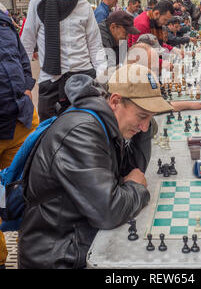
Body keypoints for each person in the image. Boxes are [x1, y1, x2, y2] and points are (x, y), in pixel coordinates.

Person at [18, 64, 173, 269]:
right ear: (115, 101)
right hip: (59, 257)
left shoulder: (106, 120)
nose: (145, 126)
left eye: (150, 117)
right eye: (142, 116)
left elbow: (134, 171)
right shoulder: (82, 131)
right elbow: (108, 211)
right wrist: (136, 188)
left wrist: (143, 124)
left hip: (79, 241)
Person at [21, 0, 107, 121]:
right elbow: (26, 45)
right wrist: (24, 84)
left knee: (86, 128)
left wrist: (101, 77)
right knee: (48, 132)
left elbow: (95, 45)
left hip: (84, 77)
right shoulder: (39, 4)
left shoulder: (85, 7)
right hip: (51, 80)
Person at [0, 5, 39, 269]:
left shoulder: (4, 21)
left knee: (30, 191)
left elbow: (23, 59)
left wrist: (26, 87)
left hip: (20, 120)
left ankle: (31, 254)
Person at [98, 11, 140, 79]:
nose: (127, 37)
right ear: (113, 27)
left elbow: (124, 59)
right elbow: (110, 71)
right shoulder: (100, 36)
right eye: (126, 33)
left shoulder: (120, 36)